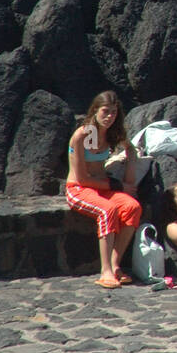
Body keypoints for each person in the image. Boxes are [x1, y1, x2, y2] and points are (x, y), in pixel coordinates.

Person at [65, 91, 144, 288]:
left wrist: (129, 177)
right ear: (95, 111)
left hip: (103, 187)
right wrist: (120, 186)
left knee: (132, 207)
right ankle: (105, 270)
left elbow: (131, 150)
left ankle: (116, 265)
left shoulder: (112, 133)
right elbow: (83, 179)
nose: (109, 116)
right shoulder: (84, 134)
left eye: (114, 112)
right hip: (79, 189)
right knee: (107, 210)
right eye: (105, 112)